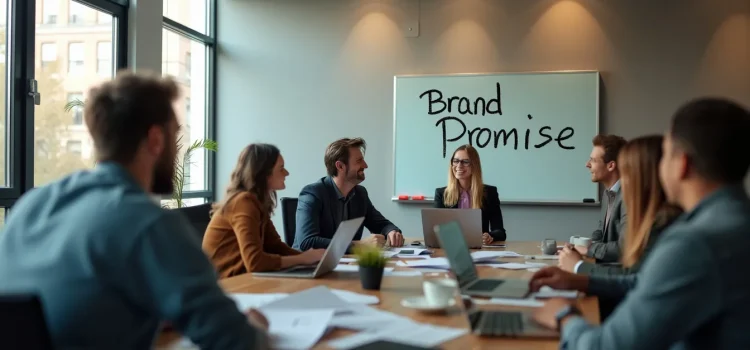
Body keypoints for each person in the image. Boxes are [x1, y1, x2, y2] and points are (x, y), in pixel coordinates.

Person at [0, 72, 268, 349]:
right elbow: (237, 342)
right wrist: (256, 328)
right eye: (175, 133)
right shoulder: (147, 221)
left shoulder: (31, 206)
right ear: (155, 139)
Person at [529, 97, 750, 349]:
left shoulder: (695, 243)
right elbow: (645, 280)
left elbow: (605, 346)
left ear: (682, 164)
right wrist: (580, 279)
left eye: (665, 154)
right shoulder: (733, 223)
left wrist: (562, 315)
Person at [559, 135, 683, 276]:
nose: (622, 177)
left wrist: (579, 265)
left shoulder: (662, 219)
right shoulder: (611, 195)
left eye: (627, 169)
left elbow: (631, 276)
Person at [203, 144, 326, 278]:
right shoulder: (243, 202)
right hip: (227, 284)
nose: (287, 173)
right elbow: (255, 262)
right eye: (281, 168)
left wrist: (311, 258)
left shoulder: (256, 202)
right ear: (264, 174)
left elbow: (275, 246)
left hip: (244, 279)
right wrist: (302, 259)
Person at [294, 137, 404, 251]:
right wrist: (359, 245)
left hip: (345, 264)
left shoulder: (360, 194)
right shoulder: (313, 193)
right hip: (310, 266)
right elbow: (307, 242)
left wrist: (392, 231)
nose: (365, 165)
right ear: (340, 166)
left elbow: (380, 224)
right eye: (359, 160)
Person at [572, 134, 628, 268]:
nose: (587, 164)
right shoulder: (608, 193)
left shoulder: (628, 197)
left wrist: (589, 249)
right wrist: (579, 245)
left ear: (611, 166)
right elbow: (601, 233)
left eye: (593, 160)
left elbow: (625, 247)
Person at [434, 144, 506, 243]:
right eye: (456, 161)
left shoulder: (489, 193)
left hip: (480, 249)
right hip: (452, 247)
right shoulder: (441, 194)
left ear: (474, 165)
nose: (459, 166)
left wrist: (490, 236)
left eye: (465, 162)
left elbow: (500, 232)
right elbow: (437, 231)